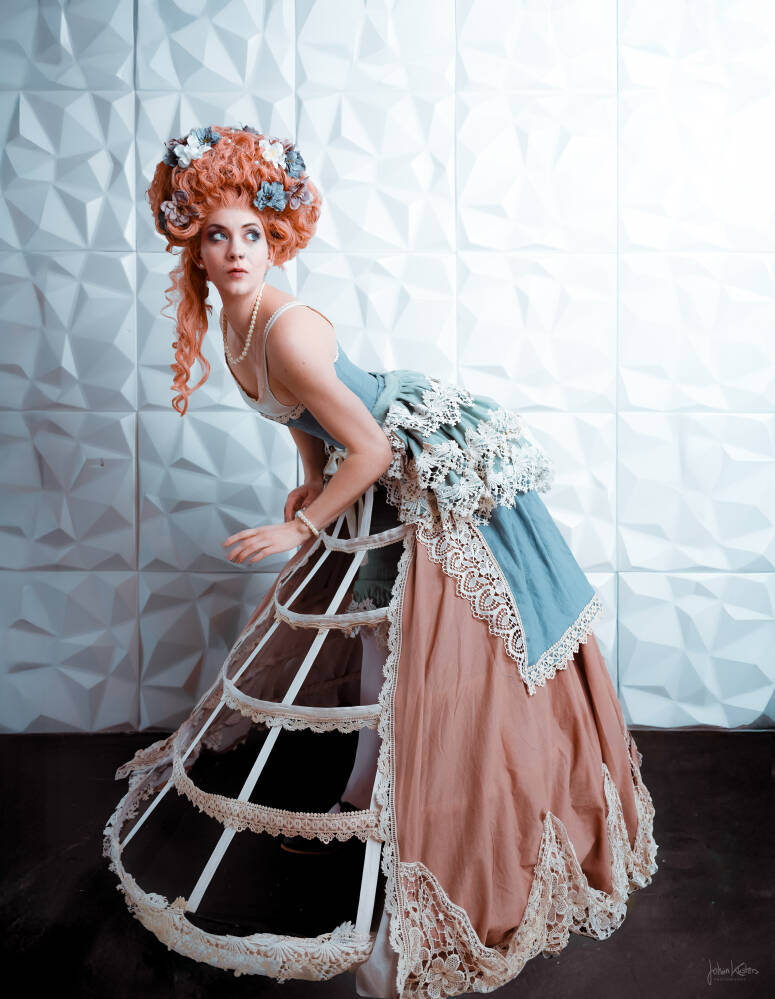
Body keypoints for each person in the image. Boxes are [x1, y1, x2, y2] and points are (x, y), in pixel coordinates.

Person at [103, 124, 658, 998]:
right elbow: (299, 416)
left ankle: (453, 813)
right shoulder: (234, 329)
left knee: (441, 650)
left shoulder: (286, 329)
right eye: (217, 235)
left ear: (275, 240)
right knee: (372, 634)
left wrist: (302, 522)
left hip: (417, 467)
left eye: (253, 234)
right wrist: (307, 473)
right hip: (369, 470)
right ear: (194, 249)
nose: (237, 251)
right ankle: (363, 790)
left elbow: (367, 445)